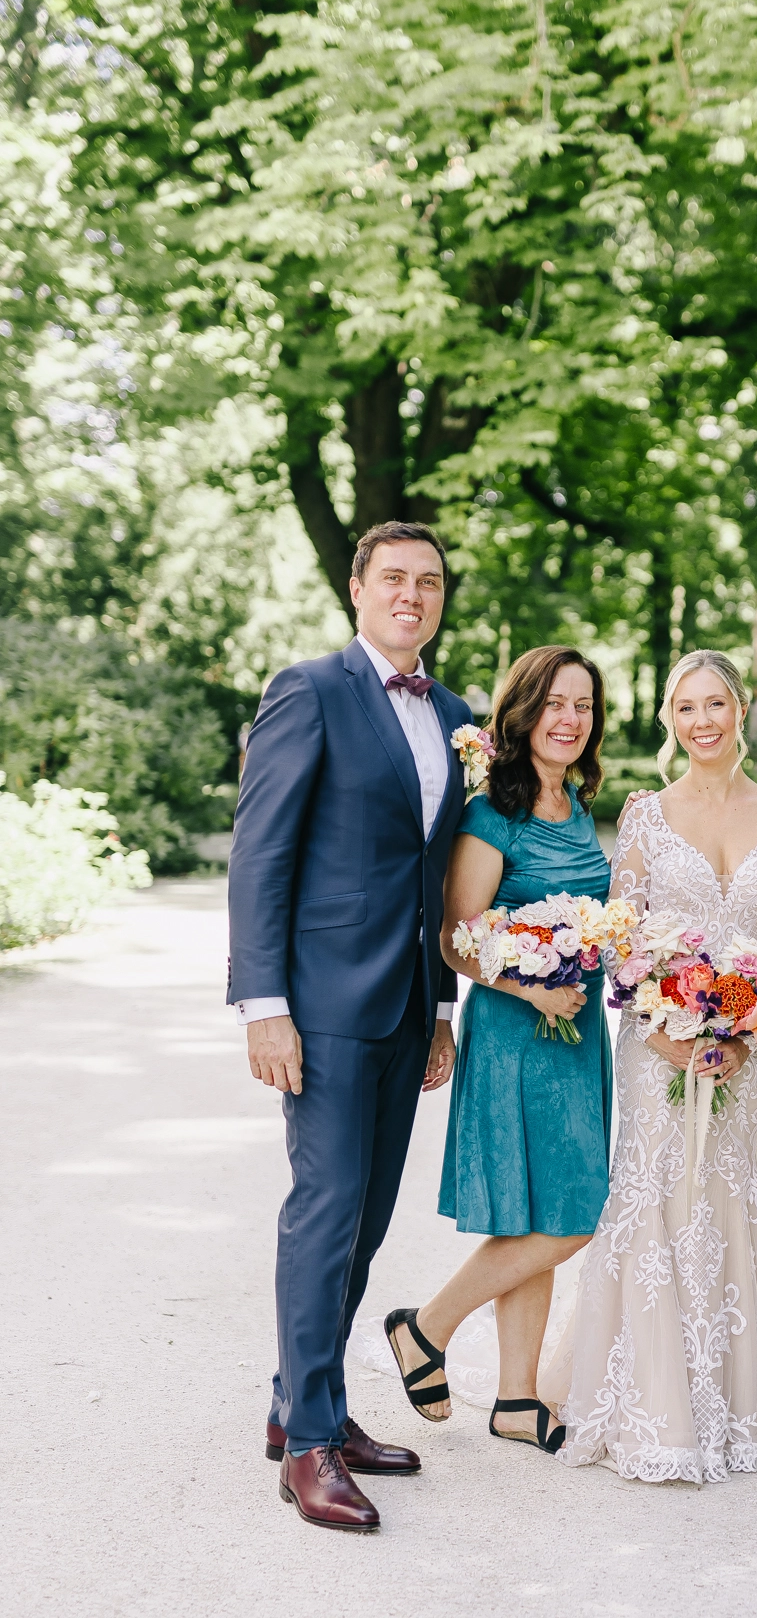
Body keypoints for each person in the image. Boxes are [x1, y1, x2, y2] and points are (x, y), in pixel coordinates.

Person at [227, 521, 471, 1534]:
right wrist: (264, 1006)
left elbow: (438, 873)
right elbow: (261, 852)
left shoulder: (454, 715)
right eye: (394, 578)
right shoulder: (309, 690)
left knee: (367, 1218)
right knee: (325, 1211)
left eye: (430, 582)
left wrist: (443, 1007)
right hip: (322, 1005)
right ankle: (312, 1448)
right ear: (358, 590)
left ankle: (300, 1401)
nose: (412, 594)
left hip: (408, 1003)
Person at [557, 650, 757, 1483]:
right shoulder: (646, 818)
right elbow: (620, 940)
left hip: (741, 1051)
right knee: (658, 1190)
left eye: (716, 705)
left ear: (742, 709)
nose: (702, 722)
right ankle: (653, 1407)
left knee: (724, 1192)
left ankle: (727, 1400)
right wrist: (663, 1030)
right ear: (670, 719)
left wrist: (745, 1035)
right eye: (686, 708)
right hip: (656, 1046)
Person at [385, 647, 612, 1455]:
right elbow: (455, 935)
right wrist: (531, 988)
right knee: (577, 1217)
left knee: (541, 1214)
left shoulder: (577, 803)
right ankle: (426, 1326)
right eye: (554, 703)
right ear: (523, 711)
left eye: (583, 705)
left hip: (578, 1034)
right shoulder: (492, 812)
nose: (568, 718)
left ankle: (517, 1398)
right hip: (520, 1034)